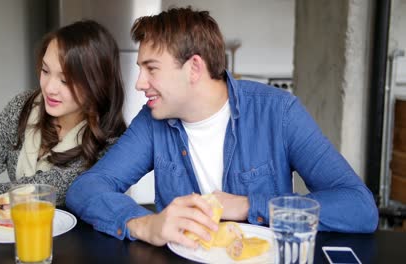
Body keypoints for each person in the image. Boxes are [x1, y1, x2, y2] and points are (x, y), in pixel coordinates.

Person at [66, 7, 379, 248]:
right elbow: (86, 188)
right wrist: (143, 224)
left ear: (195, 68)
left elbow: (360, 207)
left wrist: (247, 206)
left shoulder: (279, 113)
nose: (139, 83)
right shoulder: (152, 122)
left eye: (151, 69)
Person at [0, 20, 126, 230]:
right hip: (20, 239)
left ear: (96, 82)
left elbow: (41, 190)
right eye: (45, 71)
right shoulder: (23, 107)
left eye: (65, 80)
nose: (49, 88)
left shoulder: (111, 141)